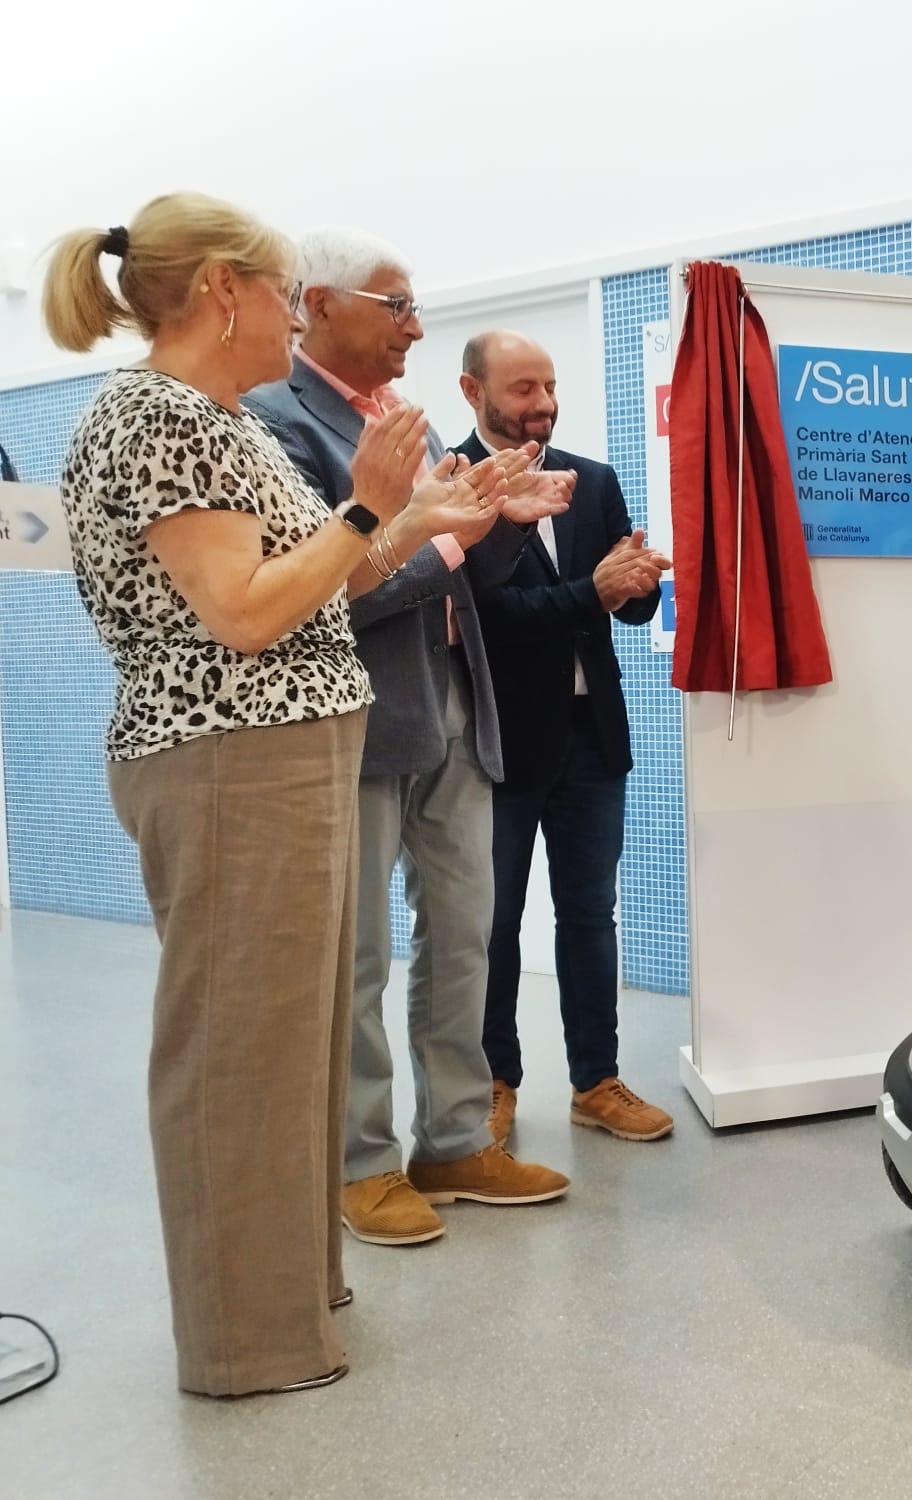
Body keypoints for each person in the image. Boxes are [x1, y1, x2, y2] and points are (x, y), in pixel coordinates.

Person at [44, 192, 518, 1393]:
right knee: (237, 1057)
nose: (290, 311)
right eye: (277, 289)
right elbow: (245, 612)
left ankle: (290, 1305)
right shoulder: (151, 414)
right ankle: (244, 1344)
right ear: (221, 290)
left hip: (285, 758)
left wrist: (416, 516)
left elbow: (327, 573)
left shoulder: (223, 421)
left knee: (291, 1047)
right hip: (225, 763)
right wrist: (369, 500)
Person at [248, 230, 572, 1248]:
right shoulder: (274, 425)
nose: (415, 327)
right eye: (396, 306)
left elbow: (456, 566)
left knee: (467, 937)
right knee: (359, 960)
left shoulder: (401, 420)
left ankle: (458, 1139)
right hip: (360, 718)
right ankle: (361, 1162)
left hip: (453, 707)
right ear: (317, 304)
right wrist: (444, 541)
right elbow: (314, 596)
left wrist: (504, 524)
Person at [456, 331, 674, 1145]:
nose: (541, 404)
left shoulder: (594, 481)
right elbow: (493, 618)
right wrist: (596, 589)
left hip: (592, 739)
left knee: (590, 916)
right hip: (499, 746)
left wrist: (639, 581)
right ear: (472, 389)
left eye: (548, 386)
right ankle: (493, 1083)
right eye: (522, 389)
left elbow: (636, 606)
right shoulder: (453, 485)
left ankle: (597, 1081)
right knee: (495, 920)